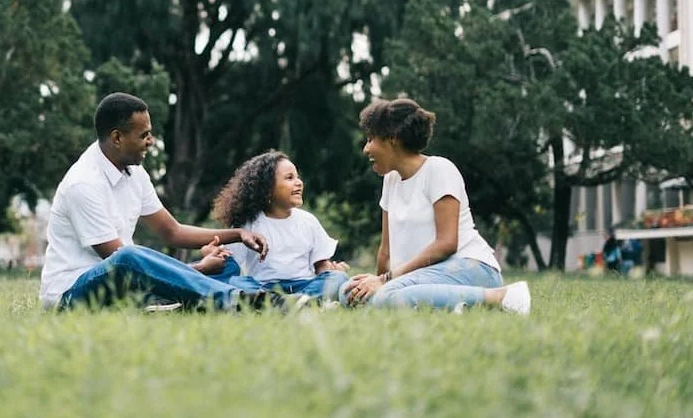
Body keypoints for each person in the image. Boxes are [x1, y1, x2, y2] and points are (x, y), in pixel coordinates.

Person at [39, 92, 280, 312]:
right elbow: (123, 264)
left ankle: (261, 295)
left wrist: (238, 234)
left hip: (125, 285)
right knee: (128, 256)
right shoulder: (83, 184)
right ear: (117, 138)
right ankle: (234, 299)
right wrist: (199, 269)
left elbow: (173, 232)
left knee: (225, 265)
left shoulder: (134, 173)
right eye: (144, 135)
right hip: (72, 295)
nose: (151, 141)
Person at [341, 97, 531, 315]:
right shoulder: (390, 181)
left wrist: (386, 282)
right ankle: (449, 304)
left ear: (392, 138)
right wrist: (375, 283)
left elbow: (447, 243)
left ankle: (501, 296)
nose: (366, 149)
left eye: (370, 139)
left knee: (387, 296)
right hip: (421, 276)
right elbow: (386, 251)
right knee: (348, 293)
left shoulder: (439, 170)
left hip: (469, 267)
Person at [208, 151, 350, 303]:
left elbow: (321, 265)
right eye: (289, 178)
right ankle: (289, 302)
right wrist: (215, 253)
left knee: (338, 278)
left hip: (304, 285)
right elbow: (230, 263)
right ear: (266, 189)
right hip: (264, 288)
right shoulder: (248, 225)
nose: (299, 182)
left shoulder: (308, 221)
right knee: (237, 282)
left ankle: (294, 301)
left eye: (297, 177)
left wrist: (329, 271)